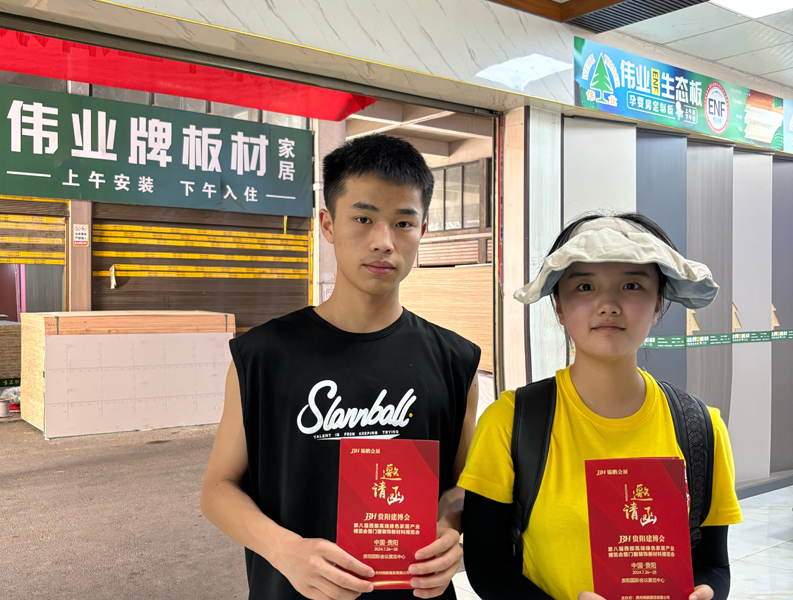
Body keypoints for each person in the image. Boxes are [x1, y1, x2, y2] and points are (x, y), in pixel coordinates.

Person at [201, 134, 480, 600]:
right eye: (363, 218)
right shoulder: (264, 355)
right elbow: (217, 489)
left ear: (423, 230)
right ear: (327, 224)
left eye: (403, 223)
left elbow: (460, 488)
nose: (383, 242)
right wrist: (285, 550)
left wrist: (450, 533)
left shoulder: (456, 360)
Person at [459, 213, 742, 600]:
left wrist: (707, 593)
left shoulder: (701, 428)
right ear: (559, 306)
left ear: (658, 303)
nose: (608, 304)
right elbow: (486, 565)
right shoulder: (509, 422)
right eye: (585, 286)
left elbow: (714, 565)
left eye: (632, 285)